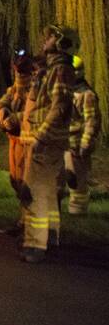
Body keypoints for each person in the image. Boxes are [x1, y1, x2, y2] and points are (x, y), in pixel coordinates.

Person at [19, 23, 78, 263]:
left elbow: (59, 107)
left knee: (36, 191)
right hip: (50, 140)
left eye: (52, 37)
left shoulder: (60, 70)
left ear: (61, 43)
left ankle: (35, 244)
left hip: (46, 141)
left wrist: (40, 135)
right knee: (49, 192)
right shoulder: (53, 69)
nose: (46, 39)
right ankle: (51, 235)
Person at [0, 52, 36, 234]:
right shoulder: (16, 88)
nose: (19, 77)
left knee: (26, 182)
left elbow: (33, 113)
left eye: (21, 73)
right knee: (15, 180)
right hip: (14, 140)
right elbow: (4, 99)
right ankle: (22, 220)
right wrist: (1, 110)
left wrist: (15, 119)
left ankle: (27, 223)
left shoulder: (35, 88)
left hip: (27, 141)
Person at [65, 55, 101, 215]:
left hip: (77, 144)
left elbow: (91, 121)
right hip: (65, 142)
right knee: (67, 176)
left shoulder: (87, 95)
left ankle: (78, 211)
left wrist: (85, 143)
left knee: (78, 180)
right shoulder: (67, 91)